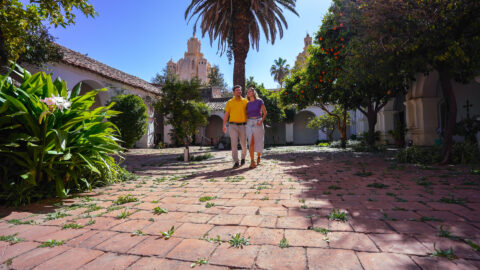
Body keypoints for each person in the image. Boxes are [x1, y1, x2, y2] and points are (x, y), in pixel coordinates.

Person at [223, 85, 248, 168]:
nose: (239, 91)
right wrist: (224, 125)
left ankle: (243, 158)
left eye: (240, 90)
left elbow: (249, 112)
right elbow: (226, 114)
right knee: (234, 144)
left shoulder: (245, 101)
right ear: (234, 92)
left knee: (243, 144)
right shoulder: (229, 102)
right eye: (237, 90)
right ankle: (236, 161)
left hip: (243, 126)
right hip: (232, 125)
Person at [246, 87, 267, 168]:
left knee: (259, 141)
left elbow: (265, 112)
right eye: (248, 91)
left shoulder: (259, 101)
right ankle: (252, 161)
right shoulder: (247, 103)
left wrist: (261, 121)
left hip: (258, 121)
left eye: (250, 91)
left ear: (253, 92)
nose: (249, 92)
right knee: (251, 141)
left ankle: (258, 156)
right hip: (249, 122)